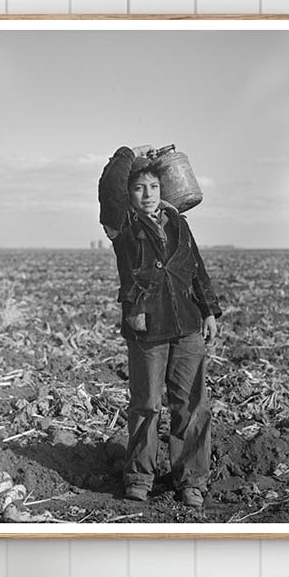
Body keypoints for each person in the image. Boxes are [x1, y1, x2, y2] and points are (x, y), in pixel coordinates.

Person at [100, 145, 222, 508]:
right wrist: (129, 153)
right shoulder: (122, 226)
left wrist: (209, 311)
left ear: (163, 189)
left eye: (153, 187)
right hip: (147, 328)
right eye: (139, 188)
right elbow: (109, 187)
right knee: (147, 405)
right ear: (130, 195)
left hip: (186, 324)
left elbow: (196, 269)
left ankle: (192, 482)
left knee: (192, 405)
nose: (147, 195)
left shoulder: (179, 224)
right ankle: (139, 477)